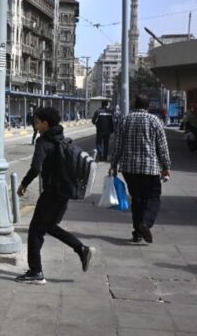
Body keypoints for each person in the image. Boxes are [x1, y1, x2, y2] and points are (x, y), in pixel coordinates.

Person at [15, 107, 97, 284]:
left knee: (35, 231)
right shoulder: (62, 140)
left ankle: (36, 272)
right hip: (63, 193)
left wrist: (23, 184)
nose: (35, 126)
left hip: (51, 193)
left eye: (37, 122)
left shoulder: (43, 142)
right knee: (50, 226)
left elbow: (36, 167)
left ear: (45, 123)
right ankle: (81, 249)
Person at [109, 94, 172, 244]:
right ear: (148, 106)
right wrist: (166, 166)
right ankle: (145, 223)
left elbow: (117, 145)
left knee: (137, 199)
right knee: (153, 197)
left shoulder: (125, 120)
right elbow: (162, 147)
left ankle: (137, 232)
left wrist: (113, 164)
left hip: (129, 168)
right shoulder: (155, 121)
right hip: (149, 168)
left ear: (134, 105)